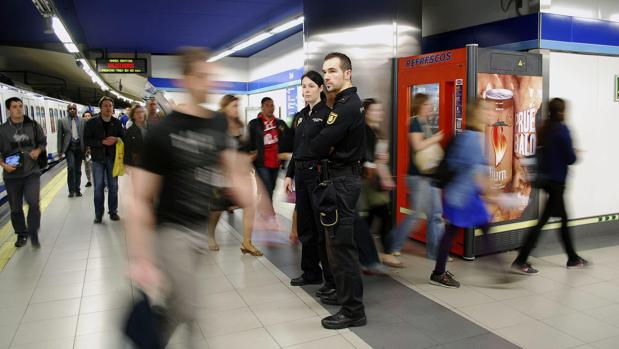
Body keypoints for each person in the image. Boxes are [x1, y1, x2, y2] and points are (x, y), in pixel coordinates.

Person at [126, 47, 255, 347]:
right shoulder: (162, 132)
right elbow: (140, 197)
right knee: (187, 304)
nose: (208, 82)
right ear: (185, 79)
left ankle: (150, 340)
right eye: (201, 76)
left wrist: (254, 201)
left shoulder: (217, 123)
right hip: (170, 230)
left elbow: (232, 168)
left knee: (179, 303)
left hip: (198, 226)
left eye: (211, 77)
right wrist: (140, 256)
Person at [309, 52, 366, 329]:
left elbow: (317, 144)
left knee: (342, 248)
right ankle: (342, 294)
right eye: (325, 71)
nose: (327, 76)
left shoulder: (345, 107)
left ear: (348, 73)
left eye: (332, 71)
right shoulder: (343, 103)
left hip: (342, 182)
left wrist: (321, 143)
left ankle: (354, 311)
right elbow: (322, 142)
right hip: (340, 179)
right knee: (335, 245)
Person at [512, 98, 588, 273]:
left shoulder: (545, 128)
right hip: (557, 184)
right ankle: (521, 259)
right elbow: (571, 159)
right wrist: (575, 153)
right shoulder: (562, 130)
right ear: (561, 112)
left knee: (562, 220)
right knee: (543, 223)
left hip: (547, 181)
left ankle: (573, 257)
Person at [283, 71, 336, 297]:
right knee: (305, 226)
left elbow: (331, 148)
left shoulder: (327, 114)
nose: (306, 90)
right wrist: (289, 174)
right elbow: (297, 150)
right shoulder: (300, 116)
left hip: (318, 175)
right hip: (302, 175)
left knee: (320, 227)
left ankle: (330, 278)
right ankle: (310, 271)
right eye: (303, 86)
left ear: (321, 88)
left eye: (311, 86)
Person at [388, 93, 445, 263]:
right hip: (418, 177)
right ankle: (393, 245)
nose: (431, 107)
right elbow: (418, 145)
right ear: (420, 105)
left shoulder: (423, 123)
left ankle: (435, 252)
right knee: (414, 215)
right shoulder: (414, 122)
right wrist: (435, 139)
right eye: (428, 104)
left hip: (429, 176)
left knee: (436, 214)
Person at [206, 94, 263, 256]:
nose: (236, 109)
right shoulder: (217, 128)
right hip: (221, 177)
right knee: (216, 209)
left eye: (237, 106)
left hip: (240, 177)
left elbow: (246, 149)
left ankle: (247, 242)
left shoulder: (241, 127)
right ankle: (210, 235)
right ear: (224, 108)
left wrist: (249, 159)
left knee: (249, 205)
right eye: (233, 106)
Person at [0, 97, 46, 248]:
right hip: (11, 175)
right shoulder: (2, 130)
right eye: (14, 107)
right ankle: (21, 233)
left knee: (33, 202)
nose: (19, 109)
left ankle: (33, 231)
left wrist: (38, 151)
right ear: (8, 109)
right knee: (15, 207)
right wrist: (3, 165)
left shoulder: (33, 125)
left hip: (31, 172)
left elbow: (42, 142)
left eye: (20, 106)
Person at [361, 99, 401, 268]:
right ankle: (387, 253)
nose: (380, 113)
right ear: (367, 112)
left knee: (370, 218)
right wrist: (384, 175)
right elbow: (368, 159)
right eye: (375, 110)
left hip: (378, 179)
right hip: (369, 180)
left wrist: (384, 162)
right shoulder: (364, 131)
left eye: (380, 110)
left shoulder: (378, 131)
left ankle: (363, 251)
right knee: (384, 216)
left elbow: (380, 156)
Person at [84, 96, 124, 223]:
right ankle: (98, 214)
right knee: (98, 187)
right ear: (100, 108)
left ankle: (113, 212)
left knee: (113, 186)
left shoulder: (117, 123)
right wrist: (102, 142)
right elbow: (87, 140)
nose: (108, 108)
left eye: (110, 106)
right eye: (105, 105)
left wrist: (116, 139)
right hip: (97, 159)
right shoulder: (91, 123)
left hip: (113, 159)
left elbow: (123, 138)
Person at [246, 97, 291, 203]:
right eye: (267, 105)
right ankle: (268, 213)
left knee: (272, 188)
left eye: (272, 105)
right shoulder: (254, 124)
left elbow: (288, 139)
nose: (270, 108)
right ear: (262, 108)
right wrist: (249, 159)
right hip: (261, 163)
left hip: (276, 163)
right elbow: (248, 142)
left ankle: (264, 206)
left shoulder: (280, 123)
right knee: (268, 190)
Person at [58, 103, 85, 198]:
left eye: (74, 108)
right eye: (70, 109)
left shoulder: (82, 120)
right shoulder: (62, 121)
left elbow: (84, 135)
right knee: (71, 168)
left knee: (78, 169)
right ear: (67, 110)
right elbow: (59, 137)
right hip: (69, 148)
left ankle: (77, 189)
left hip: (79, 147)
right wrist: (60, 151)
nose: (72, 110)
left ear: (76, 110)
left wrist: (87, 148)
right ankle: (71, 190)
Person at [123, 104, 147, 168]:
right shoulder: (129, 131)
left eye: (141, 112)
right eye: (137, 112)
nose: (140, 114)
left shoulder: (149, 129)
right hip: (136, 165)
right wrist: (127, 165)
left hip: (149, 164)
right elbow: (127, 150)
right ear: (133, 116)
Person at [82, 111, 94, 187]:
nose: (87, 117)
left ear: (91, 116)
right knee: (86, 166)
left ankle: (96, 180)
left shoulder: (95, 125)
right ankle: (89, 180)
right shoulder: (81, 126)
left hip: (93, 148)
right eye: (85, 116)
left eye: (88, 116)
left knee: (94, 165)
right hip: (85, 149)